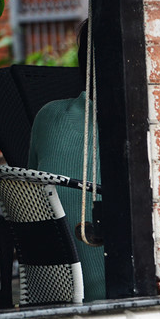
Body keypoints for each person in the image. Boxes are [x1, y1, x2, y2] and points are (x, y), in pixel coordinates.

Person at [28, 20, 105, 301]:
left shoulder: (48, 116)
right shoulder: (145, 126)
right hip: (114, 290)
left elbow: (32, 198)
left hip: (51, 289)